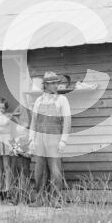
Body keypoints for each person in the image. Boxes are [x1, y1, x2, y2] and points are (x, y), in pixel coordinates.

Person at [29, 71, 71, 207]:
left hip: (55, 140)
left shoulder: (62, 100)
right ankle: (39, 199)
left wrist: (63, 141)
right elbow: (34, 122)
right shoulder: (38, 101)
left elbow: (67, 122)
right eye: (52, 83)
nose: (55, 86)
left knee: (55, 171)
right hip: (40, 140)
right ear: (45, 85)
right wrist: (31, 139)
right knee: (39, 171)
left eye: (56, 83)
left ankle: (55, 200)